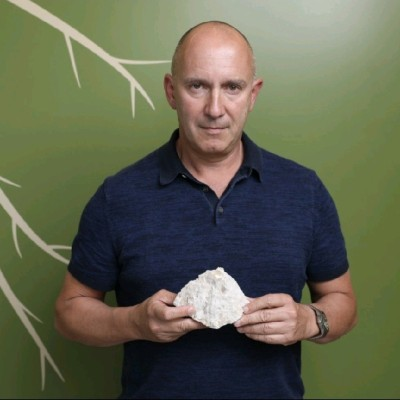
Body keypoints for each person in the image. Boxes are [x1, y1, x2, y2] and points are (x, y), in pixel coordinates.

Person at [54, 21, 357, 399]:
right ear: (171, 91)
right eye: (197, 86)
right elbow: (69, 312)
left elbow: (343, 302)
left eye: (232, 87)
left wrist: (308, 320)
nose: (215, 109)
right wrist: (134, 322)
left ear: (253, 94)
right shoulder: (118, 196)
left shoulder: (304, 191)